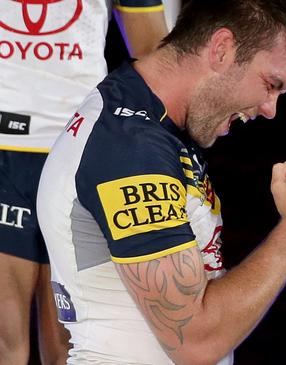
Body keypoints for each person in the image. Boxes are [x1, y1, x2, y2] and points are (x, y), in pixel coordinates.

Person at [36, 0, 286, 363]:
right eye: (271, 84)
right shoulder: (130, 148)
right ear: (222, 49)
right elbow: (195, 341)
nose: (270, 109)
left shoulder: (151, 126)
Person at [0, 1, 174, 363]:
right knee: (5, 338)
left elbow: (153, 51)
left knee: (71, 342)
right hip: (5, 149)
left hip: (77, 150)